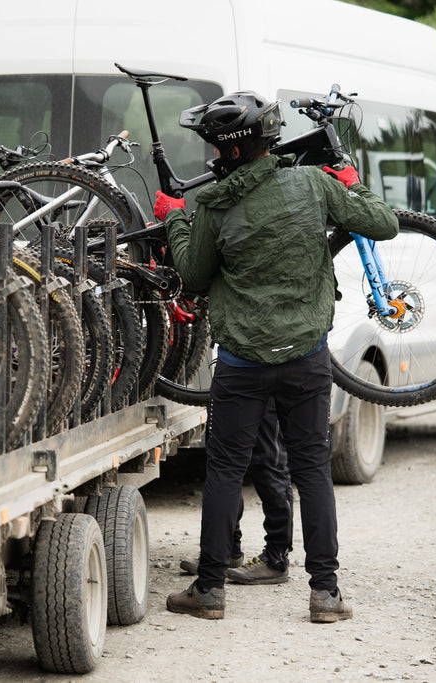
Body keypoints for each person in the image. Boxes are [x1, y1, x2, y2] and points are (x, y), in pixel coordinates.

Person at [156, 91, 398, 622]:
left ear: (231, 152)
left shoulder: (215, 209)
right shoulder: (314, 184)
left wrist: (175, 219)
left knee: (224, 469)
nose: (213, 160)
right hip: (306, 358)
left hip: (241, 364)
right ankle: (326, 595)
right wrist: (353, 184)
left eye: (215, 151)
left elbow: (193, 277)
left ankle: (211, 590)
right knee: (312, 470)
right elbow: (384, 223)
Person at [179, 399, 294, 585]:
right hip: (231, 379)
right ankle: (226, 549)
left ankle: (276, 559)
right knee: (223, 466)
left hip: (265, 378)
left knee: (268, 463)